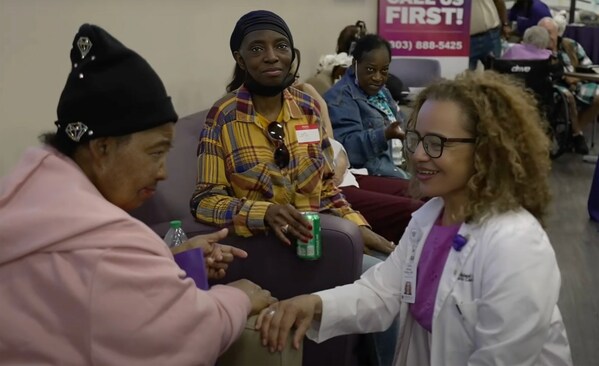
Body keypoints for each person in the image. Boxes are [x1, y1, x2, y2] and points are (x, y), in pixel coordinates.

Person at [0, 24, 277, 365]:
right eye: (156, 152)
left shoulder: (27, 196)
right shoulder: (109, 243)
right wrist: (238, 299)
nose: (163, 172)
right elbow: (184, 335)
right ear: (101, 148)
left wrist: (167, 260)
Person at [256, 70, 573, 366]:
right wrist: (311, 304)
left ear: (487, 151)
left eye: (437, 143)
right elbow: (382, 293)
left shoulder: (516, 243)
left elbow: (501, 357)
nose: (419, 154)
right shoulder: (430, 218)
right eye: (415, 139)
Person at [190, 10, 395, 269]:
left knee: (392, 271)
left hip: (318, 242)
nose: (272, 56)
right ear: (240, 60)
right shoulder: (223, 118)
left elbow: (327, 190)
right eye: (256, 49)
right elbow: (204, 202)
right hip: (261, 251)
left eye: (281, 46)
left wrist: (357, 226)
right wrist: (263, 213)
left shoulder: (307, 108)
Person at [295, 81, 423, 255]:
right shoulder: (340, 96)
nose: (377, 77)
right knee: (417, 210)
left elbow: (331, 146)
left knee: (426, 193)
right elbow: (322, 175)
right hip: (332, 186)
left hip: (346, 175)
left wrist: (315, 99)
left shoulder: (299, 103)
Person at [324, 34, 409, 179]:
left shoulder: (382, 92)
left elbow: (401, 125)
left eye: (384, 71)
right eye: (370, 70)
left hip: (397, 168)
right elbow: (345, 151)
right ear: (354, 64)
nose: (377, 77)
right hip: (371, 176)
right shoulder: (340, 98)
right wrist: (384, 135)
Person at [539, 17, 598, 154]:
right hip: (554, 86)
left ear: (557, 33)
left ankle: (572, 135)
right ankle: (576, 134)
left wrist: (577, 78)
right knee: (566, 96)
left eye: (550, 32)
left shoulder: (570, 45)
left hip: (578, 83)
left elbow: (588, 67)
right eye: (543, 32)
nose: (547, 37)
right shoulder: (537, 48)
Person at [470, 0, 510, 70]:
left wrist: (505, 23)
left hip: (491, 34)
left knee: (497, 74)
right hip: (464, 40)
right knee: (464, 77)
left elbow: (499, 1)